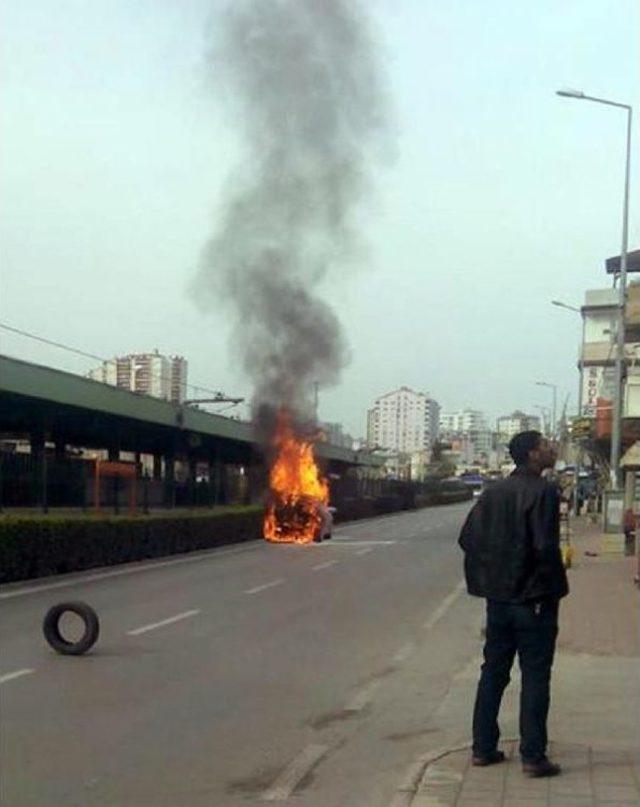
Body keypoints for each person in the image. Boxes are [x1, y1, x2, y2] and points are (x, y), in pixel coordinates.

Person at [458, 431, 569, 778]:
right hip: (533, 599)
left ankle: (482, 748)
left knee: (493, 670)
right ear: (533, 454)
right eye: (545, 445)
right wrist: (551, 588)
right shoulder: (544, 492)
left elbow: (468, 539)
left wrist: (492, 577)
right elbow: (544, 549)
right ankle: (534, 756)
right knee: (535, 675)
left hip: (499, 600)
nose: (551, 449)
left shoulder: (493, 492)